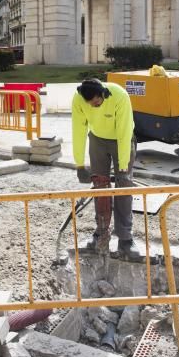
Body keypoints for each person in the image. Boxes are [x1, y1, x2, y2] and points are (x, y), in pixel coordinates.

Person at [72, 78, 139, 260]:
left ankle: (125, 239)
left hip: (121, 140)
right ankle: (101, 234)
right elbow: (78, 129)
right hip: (98, 139)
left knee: (123, 188)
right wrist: (79, 163)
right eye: (90, 104)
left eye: (97, 102)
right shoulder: (79, 99)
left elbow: (124, 132)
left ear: (103, 94)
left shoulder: (119, 96)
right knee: (100, 186)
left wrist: (123, 167)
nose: (94, 106)